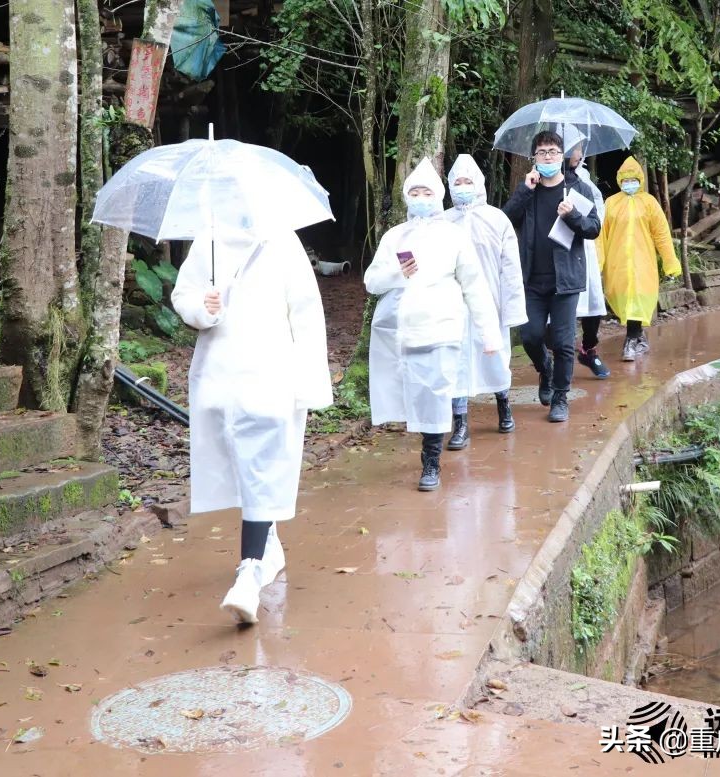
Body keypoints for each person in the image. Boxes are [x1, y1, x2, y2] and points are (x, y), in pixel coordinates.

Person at [170, 225, 333, 625]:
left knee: (259, 466)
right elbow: (183, 294)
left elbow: (306, 313)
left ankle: (249, 572)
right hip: (219, 375)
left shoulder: (283, 241)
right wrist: (202, 309)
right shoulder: (208, 241)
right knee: (242, 468)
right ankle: (270, 545)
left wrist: (311, 383)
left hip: (271, 374)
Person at [365, 158, 501, 491]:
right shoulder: (394, 237)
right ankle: (428, 449)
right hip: (405, 330)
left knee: (438, 392)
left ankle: (431, 461)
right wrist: (398, 273)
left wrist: (489, 334)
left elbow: (474, 285)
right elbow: (372, 281)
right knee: (417, 395)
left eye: (427, 190)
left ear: (438, 195)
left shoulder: (453, 236)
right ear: (406, 197)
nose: (421, 196)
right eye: (415, 191)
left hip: (443, 326)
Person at [502, 130, 601, 423]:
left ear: (562, 156)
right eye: (542, 152)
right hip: (533, 278)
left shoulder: (577, 190)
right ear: (534, 158)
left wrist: (572, 215)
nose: (548, 157)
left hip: (566, 279)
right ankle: (544, 369)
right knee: (530, 335)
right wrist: (524, 190)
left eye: (553, 152)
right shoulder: (529, 191)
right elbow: (505, 220)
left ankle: (560, 397)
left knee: (564, 341)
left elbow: (593, 229)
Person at [443, 154, 527, 450]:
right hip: (454, 305)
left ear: (478, 183)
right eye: (458, 182)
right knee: (457, 363)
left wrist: (512, 308)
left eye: (468, 181)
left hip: (491, 301)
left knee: (495, 358)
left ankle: (503, 404)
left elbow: (510, 267)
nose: (463, 186)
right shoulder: (443, 222)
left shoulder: (496, 219)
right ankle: (460, 422)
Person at [597, 157, 681, 361]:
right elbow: (600, 235)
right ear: (619, 181)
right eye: (625, 180)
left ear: (640, 179)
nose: (629, 183)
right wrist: (598, 262)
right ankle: (639, 337)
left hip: (643, 262)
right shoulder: (611, 203)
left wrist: (670, 261)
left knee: (638, 298)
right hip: (618, 263)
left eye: (633, 179)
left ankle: (631, 341)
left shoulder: (649, 203)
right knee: (624, 300)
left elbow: (661, 233)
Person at [565, 141, 610, 379]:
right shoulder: (545, 180)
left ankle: (588, 348)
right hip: (557, 251)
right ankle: (555, 359)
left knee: (592, 302)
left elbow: (598, 214)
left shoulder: (585, 181)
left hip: (583, 246)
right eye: (575, 149)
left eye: (581, 149)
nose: (580, 154)